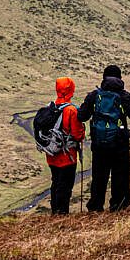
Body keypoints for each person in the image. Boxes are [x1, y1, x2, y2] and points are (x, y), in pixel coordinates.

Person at [76, 65, 130, 212]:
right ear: (120, 78)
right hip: (120, 144)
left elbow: (81, 116)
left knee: (99, 176)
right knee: (120, 176)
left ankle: (95, 206)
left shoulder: (95, 95)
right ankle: (120, 205)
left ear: (104, 77)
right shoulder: (124, 95)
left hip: (99, 145)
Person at [45, 77, 86, 215]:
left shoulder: (50, 107)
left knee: (55, 183)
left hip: (51, 154)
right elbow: (78, 135)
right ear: (70, 90)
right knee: (65, 186)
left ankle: (55, 212)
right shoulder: (71, 111)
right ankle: (62, 214)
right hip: (67, 156)